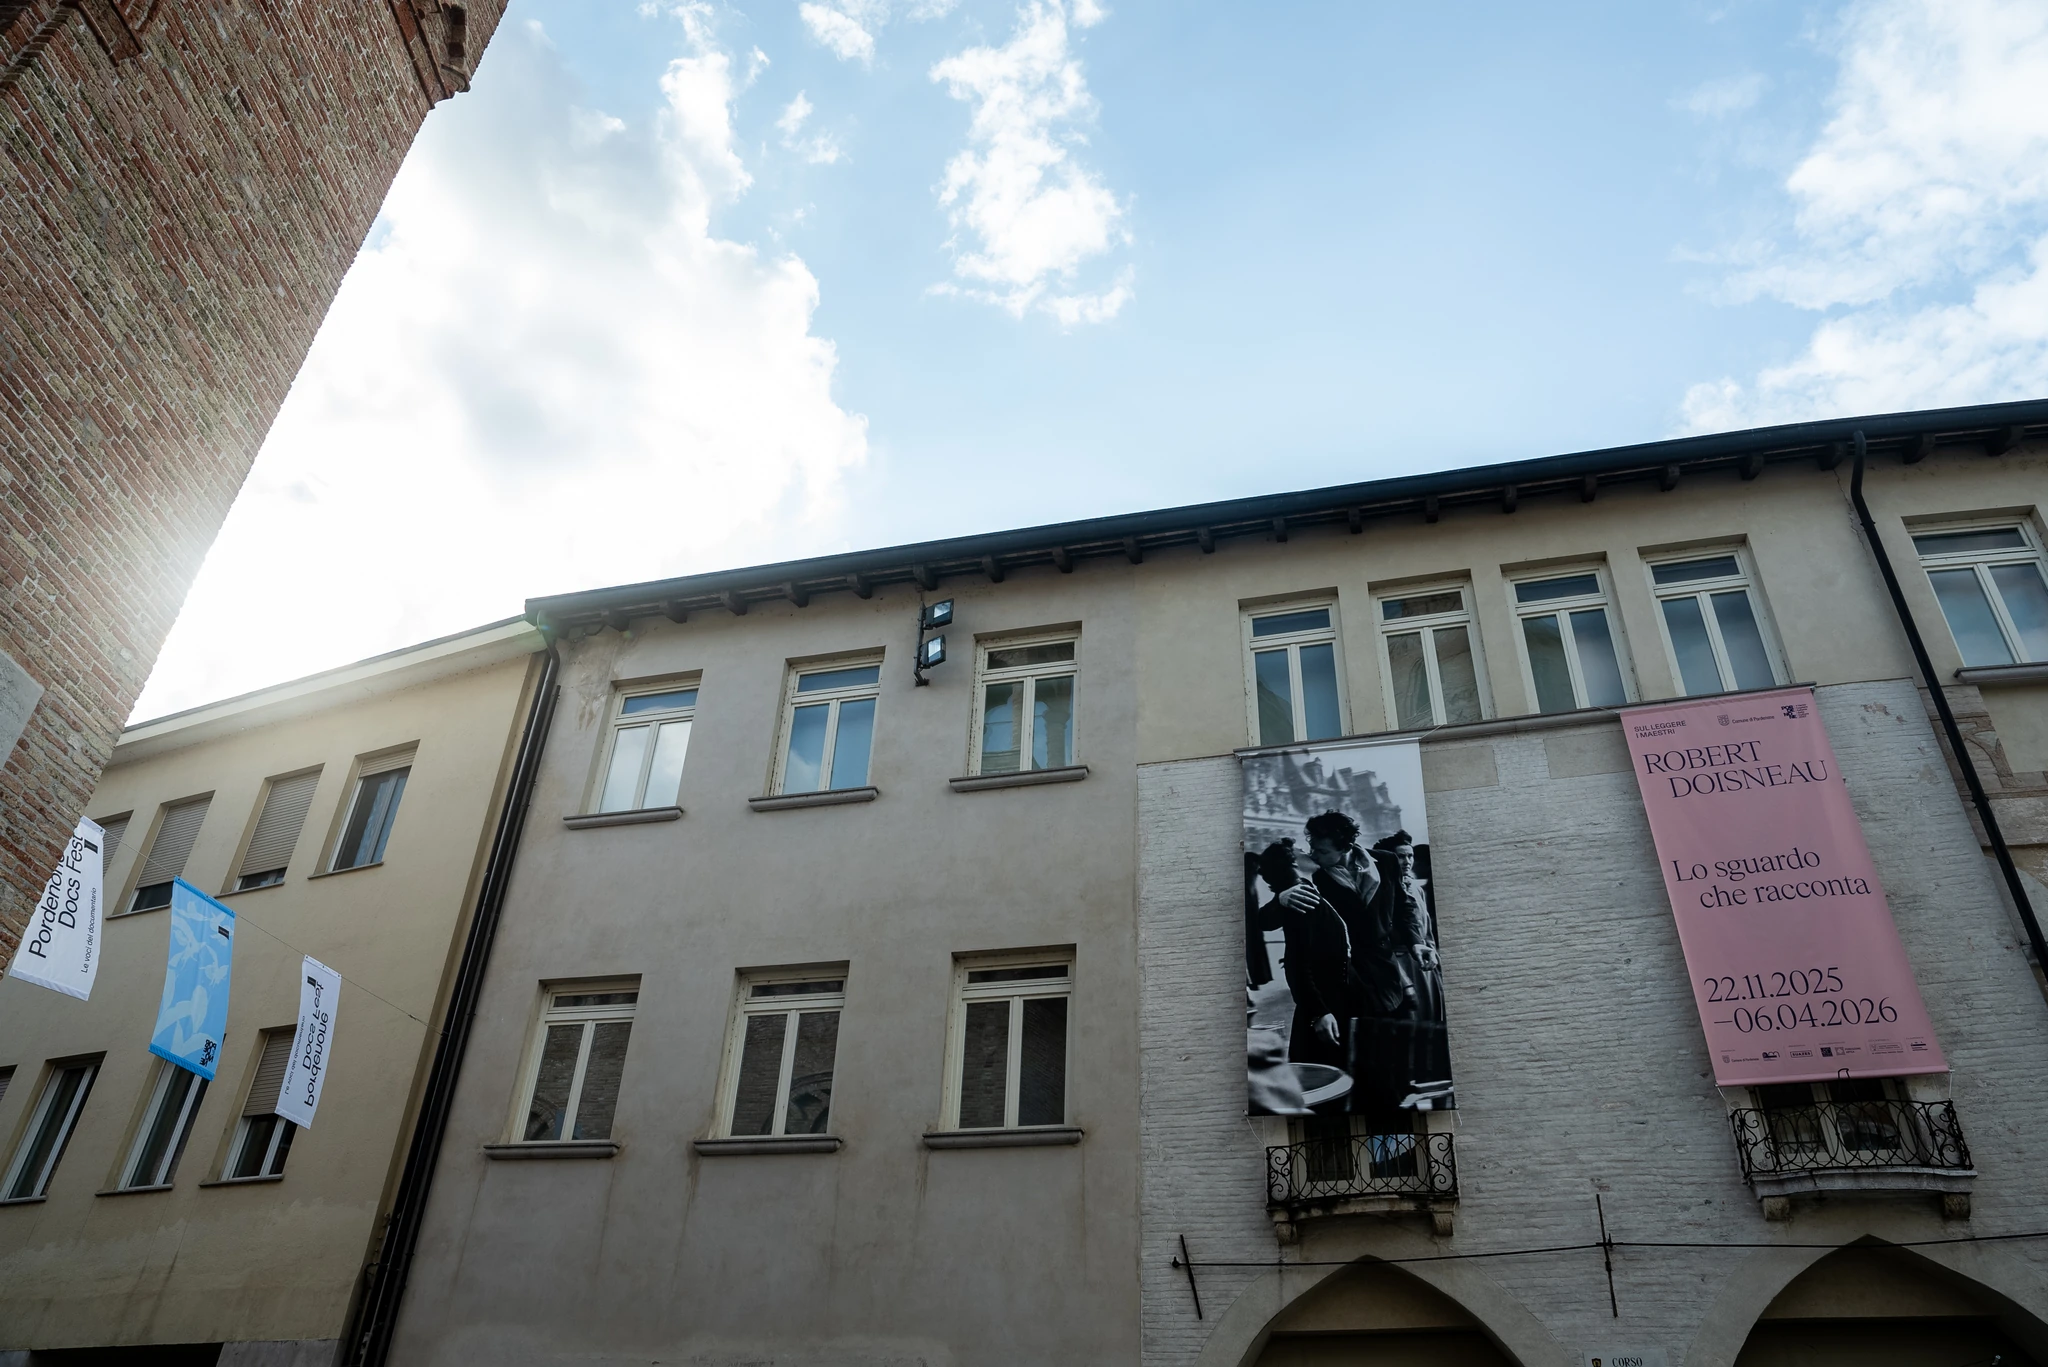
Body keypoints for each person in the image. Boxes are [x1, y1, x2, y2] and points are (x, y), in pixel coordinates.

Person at [1259, 838, 1361, 1078]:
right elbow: (1296, 964)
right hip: (1324, 1004)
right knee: (1325, 1077)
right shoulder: (1300, 897)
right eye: (1302, 850)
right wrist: (1319, 1013)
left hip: (1332, 1000)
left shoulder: (1309, 889)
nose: (1311, 852)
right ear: (1293, 862)